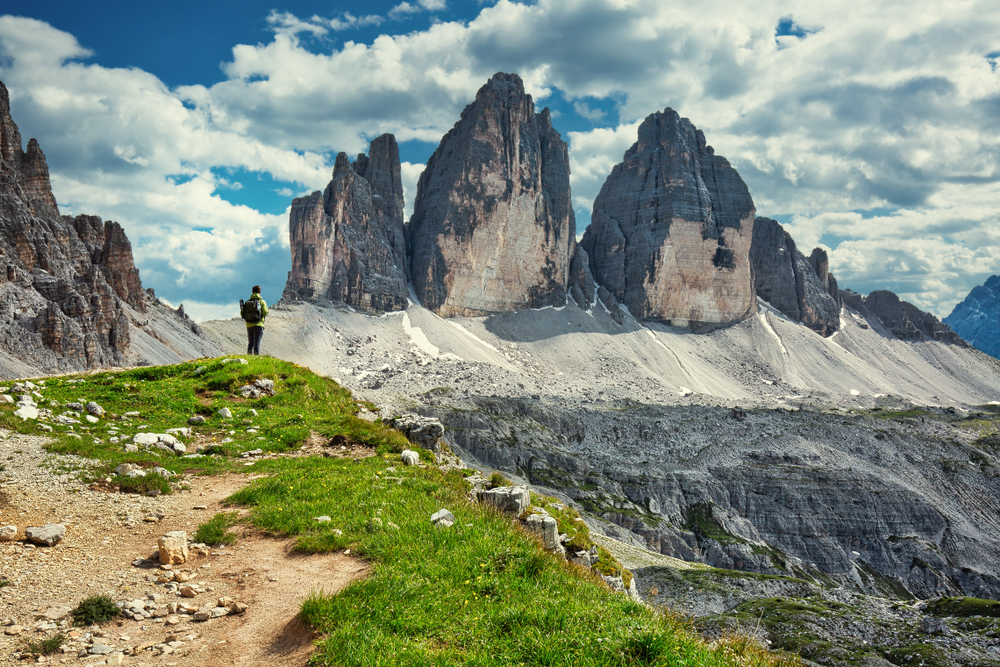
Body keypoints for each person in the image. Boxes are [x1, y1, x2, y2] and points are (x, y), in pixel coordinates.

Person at [244, 285, 269, 355]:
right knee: (257, 343)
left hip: (249, 325)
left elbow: (242, 313)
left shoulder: (247, 302)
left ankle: (249, 356)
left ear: (252, 292)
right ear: (260, 292)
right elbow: (265, 312)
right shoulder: (262, 302)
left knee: (250, 343)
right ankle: (256, 357)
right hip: (258, 325)